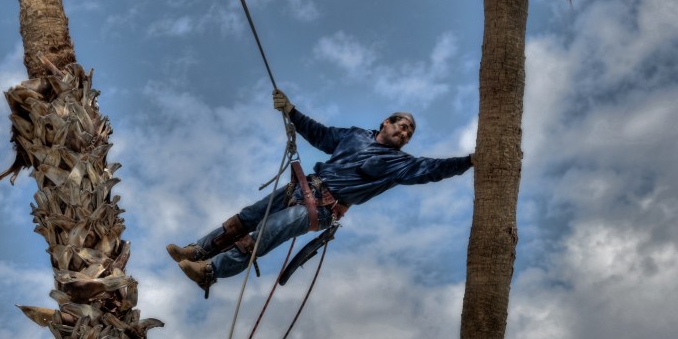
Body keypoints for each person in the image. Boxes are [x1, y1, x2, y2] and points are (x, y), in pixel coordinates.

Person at [167, 90, 475, 293]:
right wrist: (291, 111)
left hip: (322, 208)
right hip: (301, 187)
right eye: (402, 125)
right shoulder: (354, 136)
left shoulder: (400, 164)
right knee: (247, 217)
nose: (405, 133)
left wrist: (469, 161)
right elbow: (321, 134)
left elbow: (433, 169)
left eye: (409, 132)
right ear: (386, 122)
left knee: (265, 232)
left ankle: (210, 271)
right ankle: (198, 251)